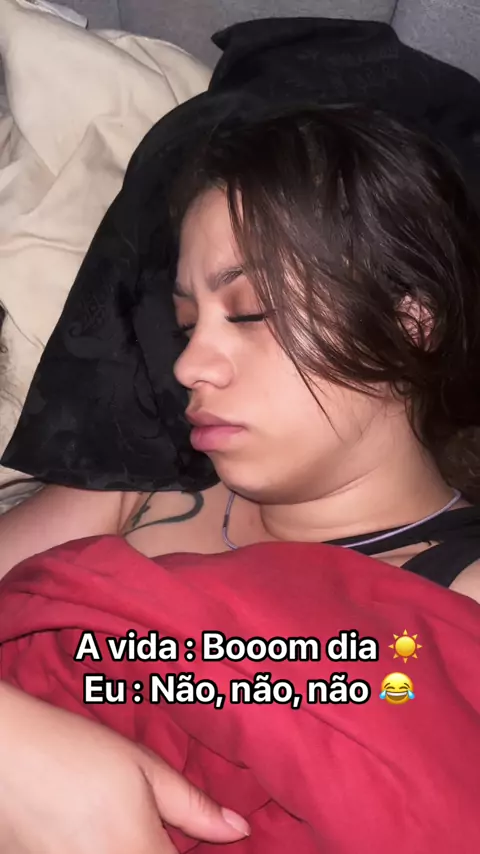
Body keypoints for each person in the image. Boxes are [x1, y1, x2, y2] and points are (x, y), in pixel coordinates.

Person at [1, 105, 480, 851]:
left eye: (251, 311)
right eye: (186, 324)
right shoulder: (138, 495)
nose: (189, 365)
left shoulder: (461, 594)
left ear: (410, 323)